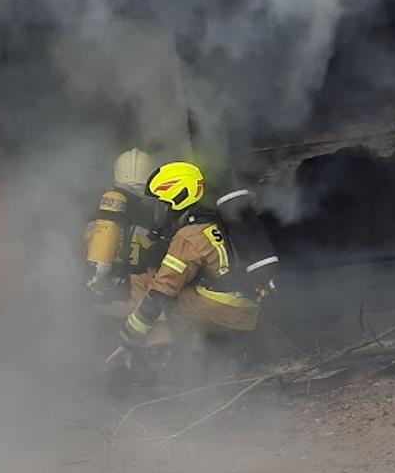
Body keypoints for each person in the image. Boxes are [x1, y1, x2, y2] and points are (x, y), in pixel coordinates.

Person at [117, 161, 263, 355]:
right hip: (247, 309)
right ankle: (207, 349)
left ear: (178, 199)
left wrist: (129, 337)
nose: (159, 210)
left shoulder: (188, 235)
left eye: (162, 203)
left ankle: (160, 349)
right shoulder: (215, 220)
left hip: (221, 312)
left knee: (150, 283)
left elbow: (163, 289)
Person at [83, 147, 166, 299]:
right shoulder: (148, 216)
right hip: (132, 292)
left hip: (98, 289)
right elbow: (159, 259)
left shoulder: (99, 212)